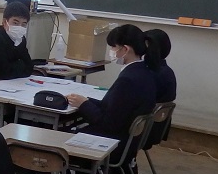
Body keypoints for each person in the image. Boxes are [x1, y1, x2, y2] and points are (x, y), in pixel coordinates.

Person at [65, 24, 159, 164]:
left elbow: (108, 124)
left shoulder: (127, 80)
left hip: (114, 143)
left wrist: (84, 105)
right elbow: (114, 107)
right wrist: (85, 100)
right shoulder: (145, 72)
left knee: (60, 137)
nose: (111, 51)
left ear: (125, 49)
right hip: (128, 141)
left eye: (114, 47)